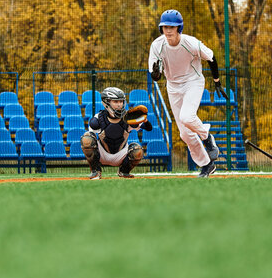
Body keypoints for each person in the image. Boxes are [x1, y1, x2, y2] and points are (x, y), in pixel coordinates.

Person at [148, 9, 228, 178]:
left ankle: (207, 138)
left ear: (179, 28)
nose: (168, 30)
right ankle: (207, 165)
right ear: (160, 28)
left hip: (193, 82)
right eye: (165, 27)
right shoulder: (157, 45)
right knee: (185, 134)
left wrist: (217, 82)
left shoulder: (190, 43)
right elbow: (155, 76)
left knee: (187, 117)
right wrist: (155, 74)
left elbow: (211, 58)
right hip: (173, 86)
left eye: (172, 27)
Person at [80, 87, 153, 180]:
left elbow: (148, 128)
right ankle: (95, 171)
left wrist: (145, 121)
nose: (119, 105)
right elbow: (90, 137)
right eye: (115, 102)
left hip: (121, 154)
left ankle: (124, 171)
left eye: (121, 101)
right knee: (86, 139)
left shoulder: (128, 117)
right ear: (106, 103)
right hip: (102, 154)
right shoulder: (98, 118)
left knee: (138, 151)